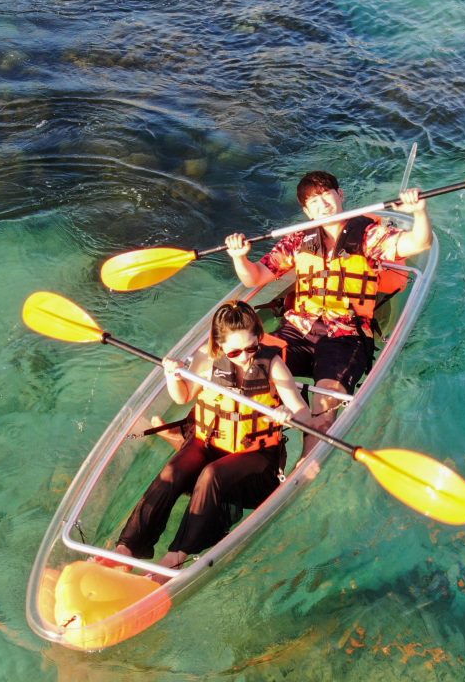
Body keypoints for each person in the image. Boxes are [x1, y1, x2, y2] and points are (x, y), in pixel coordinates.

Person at [224, 172, 432, 457]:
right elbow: (255, 277)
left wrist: (419, 212)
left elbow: (419, 243)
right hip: (297, 330)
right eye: (313, 202)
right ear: (307, 211)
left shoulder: (369, 235)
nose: (322, 205)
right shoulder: (298, 240)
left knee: (323, 410)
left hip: (346, 336)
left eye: (326, 195)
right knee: (240, 372)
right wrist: (239, 257)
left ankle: (304, 471)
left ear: (340, 195)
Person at [112, 301, 310, 576]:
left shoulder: (272, 365)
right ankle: (127, 549)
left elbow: (304, 414)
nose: (244, 357)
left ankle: (175, 559)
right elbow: (182, 396)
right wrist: (171, 376)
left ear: (259, 338)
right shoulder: (206, 358)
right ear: (220, 346)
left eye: (251, 348)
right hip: (209, 442)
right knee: (173, 470)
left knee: (211, 474)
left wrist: (286, 414)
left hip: (255, 460)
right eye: (235, 351)